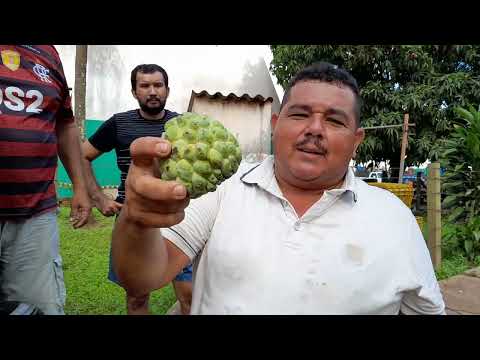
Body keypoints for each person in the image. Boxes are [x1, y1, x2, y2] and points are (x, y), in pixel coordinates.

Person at [111, 62, 446, 315]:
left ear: (356, 140)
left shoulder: (394, 218)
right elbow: (141, 278)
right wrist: (137, 220)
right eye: (300, 115)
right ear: (276, 125)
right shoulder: (223, 190)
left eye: (334, 120)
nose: (314, 129)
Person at [81, 64, 192, 315]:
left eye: (158, 85)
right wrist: (98, 196)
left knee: (189, 294)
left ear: (167, 89)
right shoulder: (119, 123)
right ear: (134, 91)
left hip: (179, 220)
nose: (152, 91)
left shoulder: (183, 125)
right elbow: (83, 155)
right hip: (134, 219)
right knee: (137, 298)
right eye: (145, 86)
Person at [0, 45, 91, 315]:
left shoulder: (48, 53)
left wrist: (80, 187)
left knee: (38, 308)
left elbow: (65, 124)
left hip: (35, 212)